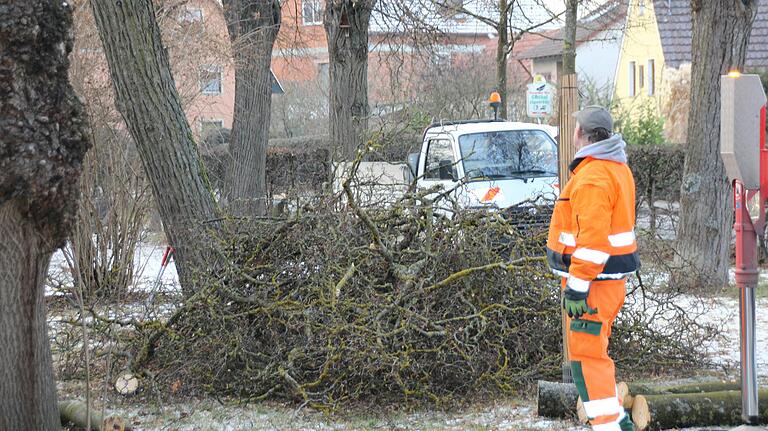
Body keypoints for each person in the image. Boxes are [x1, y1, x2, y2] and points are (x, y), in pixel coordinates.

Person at [546, 106, 640, 431]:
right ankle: (617, 423)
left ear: (581, 134)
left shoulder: (593, 177)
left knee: (588, 361)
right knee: (594, 355)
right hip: (606, 283)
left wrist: (577, 286)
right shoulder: (616, 169)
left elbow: (593, 242)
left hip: (593, 285)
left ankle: (610, 426)